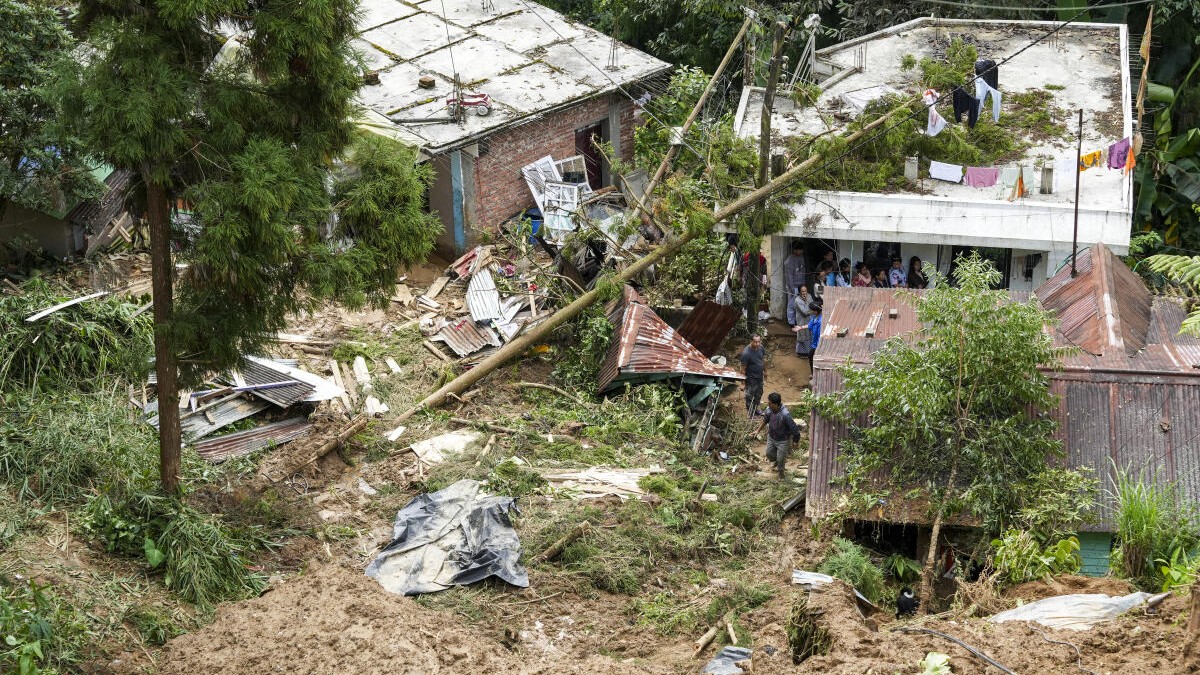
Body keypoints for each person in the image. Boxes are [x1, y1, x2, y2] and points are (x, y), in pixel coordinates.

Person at [755, 392, 801, 479]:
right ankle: (777, 461)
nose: (768, 405)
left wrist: (795, 441)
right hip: (771, 437)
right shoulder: (769, 410)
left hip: (782, 441)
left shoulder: (785, 414)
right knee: (769, 454)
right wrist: (758, 430)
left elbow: (794, 429)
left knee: (781, 460)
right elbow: (765, 420)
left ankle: (781, 473)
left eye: (770, 403)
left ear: (775, 404)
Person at [739, 334, 765, 418]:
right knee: (750, 396)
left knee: (759, 393)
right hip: (750, 378)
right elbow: (742, 368)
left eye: (758, 341)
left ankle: (756, 409)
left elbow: (762, 360)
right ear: (751, 341)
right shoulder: (746, 353)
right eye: (755, 342)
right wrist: (742, 383)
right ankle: (751, 414)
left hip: (759, 376)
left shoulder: (761, 348)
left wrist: (766, 372)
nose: (757, 344)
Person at [783, 241, 807, 326]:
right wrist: (792, 288)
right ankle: (791, 323)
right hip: (793, 286)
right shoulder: (789, 260)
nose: (800, 251)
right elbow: (789, 276)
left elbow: (803, 271)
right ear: (794, 250)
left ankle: (798, 322)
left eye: (801, 250)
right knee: (792, 305)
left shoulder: (802, 257)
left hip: (801, 285)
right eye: (799, 250)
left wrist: (804, 285)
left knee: (801, 304)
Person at [792, 286, 814, 358]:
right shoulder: (797, 300)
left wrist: (807, 303)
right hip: (801, 320)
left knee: (809, 334)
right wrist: (807, 303)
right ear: (799, 292)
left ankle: (809, 352)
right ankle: (800, 353)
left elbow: (812, 306)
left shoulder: (809, 296)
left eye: (805, 291)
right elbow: (804, 312)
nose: (804, 293)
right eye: (802, 291)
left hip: (809, 319)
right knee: (802, 335)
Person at [807, 303, 822, 369]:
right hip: (814, 342)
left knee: (811, 356)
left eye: (811, 310)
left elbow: (819, 336)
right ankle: (813, 373)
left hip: (817, 344)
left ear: (815, 311)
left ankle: (813, 374)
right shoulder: (814, 317)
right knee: (811, 357)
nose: (810, 311)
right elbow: (810, 325)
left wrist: (818, 347)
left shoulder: (820, 321)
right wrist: (800, 327)